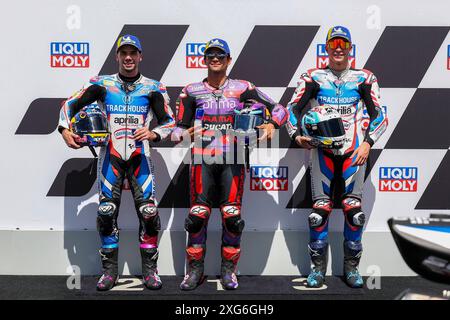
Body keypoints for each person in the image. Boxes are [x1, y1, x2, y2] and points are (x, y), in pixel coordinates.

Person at [58, 35, 175, 291]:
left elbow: (169, 121)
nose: (129, 58)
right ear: (117, 56)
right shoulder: (102, 83)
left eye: (133, 53)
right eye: (124, 53)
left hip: (140, 158)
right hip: (110, 157)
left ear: (140, 56)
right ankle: (109, 272)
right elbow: (70, 104)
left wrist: (155, 134)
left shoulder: (153, 87)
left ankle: (150, 271)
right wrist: (65, 131)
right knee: (106, 212)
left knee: (149, 213)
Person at [172, 38, 288, 290]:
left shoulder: (243, 87)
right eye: (210, 55)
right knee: (197, 217)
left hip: (234, 159)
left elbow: (279, 109)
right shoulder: (191, 90)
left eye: (220, 55)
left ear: (228, 59)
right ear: (203, 60)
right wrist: (185, 135)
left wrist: (271, 124)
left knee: (232, 217)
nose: (215, 59)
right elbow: (175, 131)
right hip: (202, 159)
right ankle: (194, 271)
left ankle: (229, 271)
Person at [286, 26, 388, 288]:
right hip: (323, 152)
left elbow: (380, 115)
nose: (339, 48)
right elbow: (292, 109)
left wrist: (367, 143)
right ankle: (317, 271)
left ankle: (351, 269)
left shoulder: (364, 78)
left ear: (350, 48)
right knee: (319, 213)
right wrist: (297, 135)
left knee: (354, 212)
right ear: (327, 48)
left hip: (354, 151)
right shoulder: (313, 76)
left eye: (344, 43)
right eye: (334, 43)